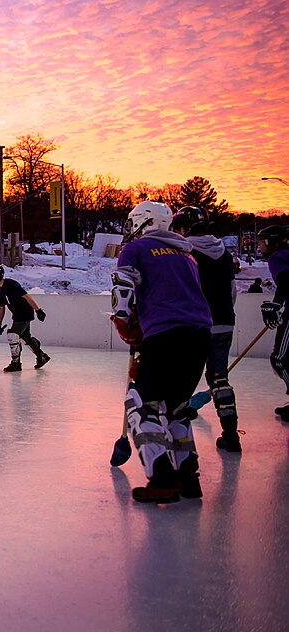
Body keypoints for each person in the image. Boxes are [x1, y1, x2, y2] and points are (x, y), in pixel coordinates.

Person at [111, 201, 212, 503]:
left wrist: (124, 320)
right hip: (199, 334)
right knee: (177, 407)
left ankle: (161, 478)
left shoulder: (137, 248)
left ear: (144, 222)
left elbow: (123, 287)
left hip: (166, 334)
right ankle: (187, 479)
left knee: (142, 405)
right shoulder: (186, 255)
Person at [171, 206, 241, 452]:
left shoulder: (183, 251)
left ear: (182, 228)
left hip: (195, 324)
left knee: (181, 378)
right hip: (224, 321)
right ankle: (231, 435)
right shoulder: (224, 252)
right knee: (219, 378)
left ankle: (177, 444)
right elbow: (232, 291)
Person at [0, 265, 49, 372]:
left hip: (24, 313)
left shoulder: (11, 284)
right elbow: (1, 307)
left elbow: (27, 296)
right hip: (17, 315)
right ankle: (42, 356)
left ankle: (16, 364)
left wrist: (38, 310)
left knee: (13, 335)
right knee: (24, 337)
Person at [257, 225, 289, 421]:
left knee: (280, 359)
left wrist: (276, 304)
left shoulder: (277, 257)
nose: (259, 245)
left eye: (262, 241)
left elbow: (286, 279)